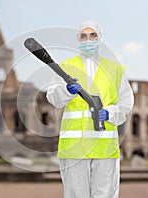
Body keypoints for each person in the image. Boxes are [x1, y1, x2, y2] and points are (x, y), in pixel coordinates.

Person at [46, 19, 134, 198]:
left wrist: (110, 113)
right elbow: (52, 96)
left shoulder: (114, 70)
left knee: (105, 194)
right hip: (74, 146)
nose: (88, 40)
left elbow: (126, 102)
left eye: (92, 35)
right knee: (76, 195)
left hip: (104, 145)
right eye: (83, 36)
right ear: (78, 39)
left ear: (99, 37)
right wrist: (66, 91)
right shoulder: (66, 67)